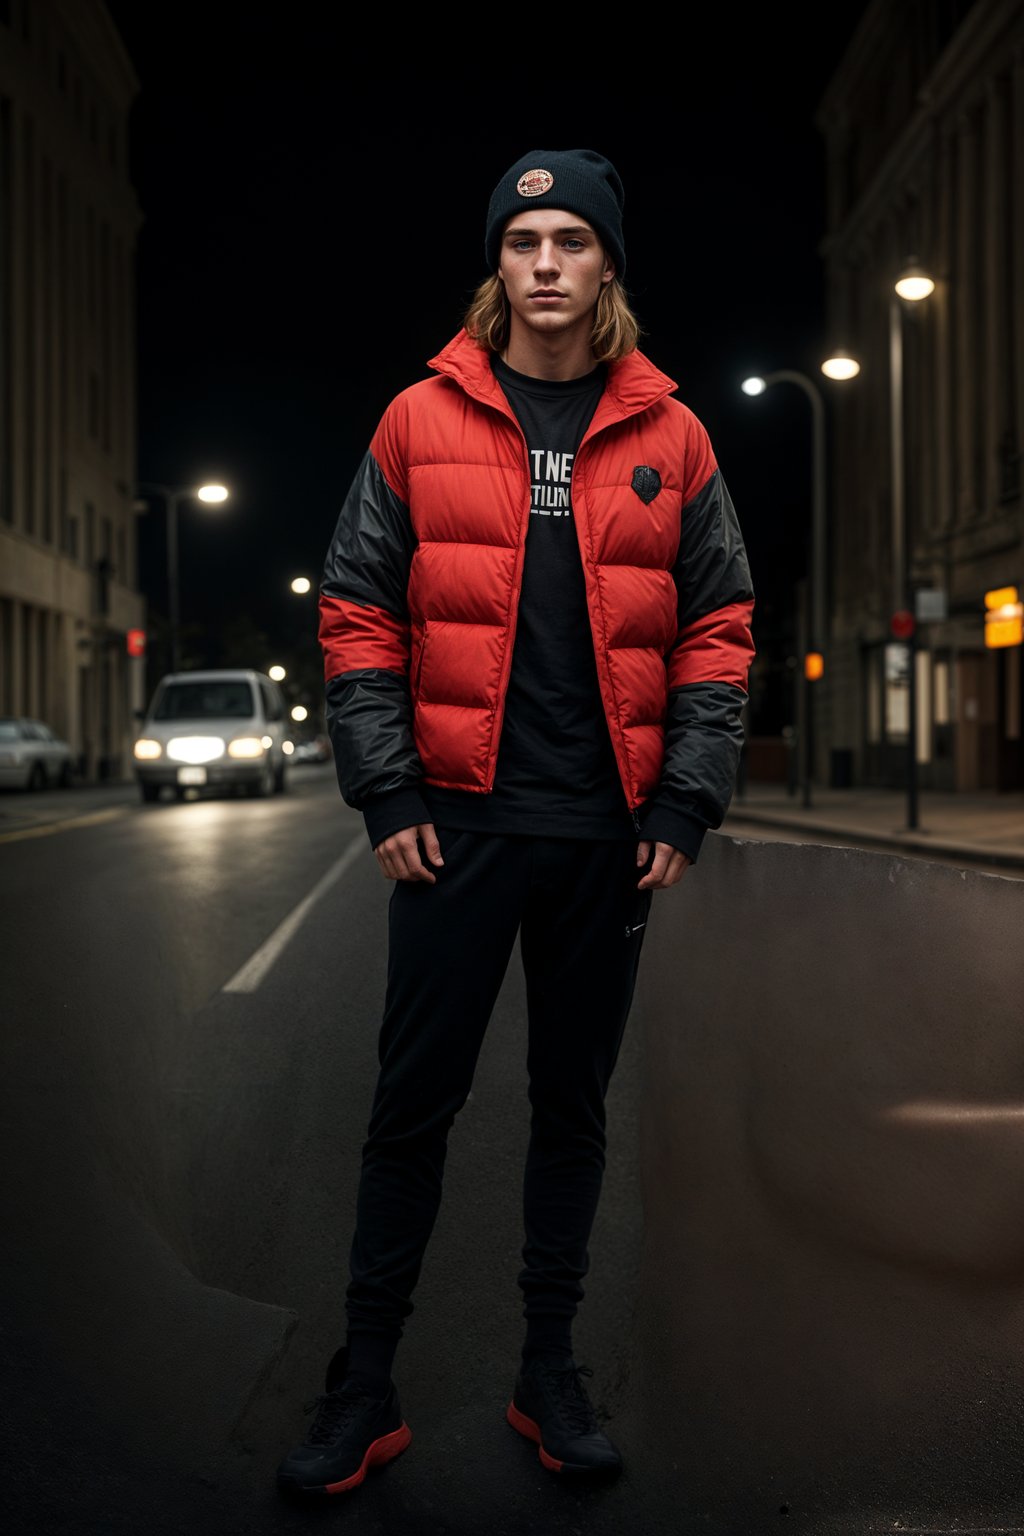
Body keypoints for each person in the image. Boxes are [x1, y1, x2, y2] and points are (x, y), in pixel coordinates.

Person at [276, 147, 755, 1501]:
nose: (545, 263)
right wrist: (385, 783)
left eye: (571, 242)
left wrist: (687, 795)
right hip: (455, 830)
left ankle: (550, 1371)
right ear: (496, 265)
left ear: (608, 266)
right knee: (409, 1111)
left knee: (571, 1111)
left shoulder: (674, 434)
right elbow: (360, 606)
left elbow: (720, 626)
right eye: (522, 241)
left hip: (606, 835)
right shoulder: (416, 420)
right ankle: (361, 1385)